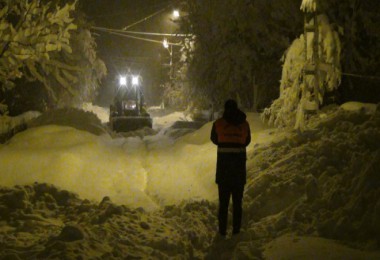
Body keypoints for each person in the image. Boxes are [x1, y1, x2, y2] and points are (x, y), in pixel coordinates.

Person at [210, 99, 251, 237]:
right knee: (237, 203)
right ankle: (236, 231)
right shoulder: (244, 125)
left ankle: (222, 232)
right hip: (239, 172)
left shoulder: (219, 124)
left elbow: (214, 139)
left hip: (223, 172)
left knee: (223, 204)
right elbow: (247, 141)